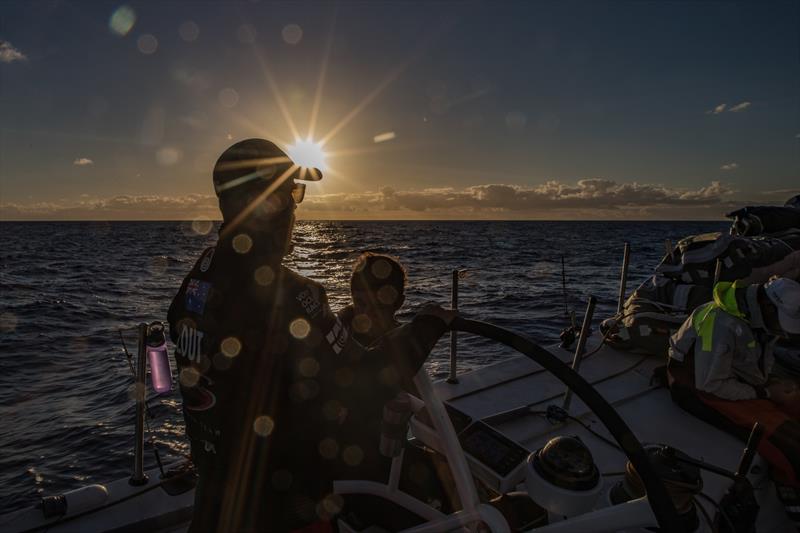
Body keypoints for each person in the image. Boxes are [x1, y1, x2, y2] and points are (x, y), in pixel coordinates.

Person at [167, 138, 455, 533]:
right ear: (268, 204)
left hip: (215, 504)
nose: (295, 209)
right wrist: (428, 324)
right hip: (284, 510)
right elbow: (366, 378)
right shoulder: (295, 299)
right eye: (292, 194)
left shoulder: (193, 285)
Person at [667, 277, 800, 505]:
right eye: (782, 324)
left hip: (733, 378)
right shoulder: (720, 322)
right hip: (698, 388)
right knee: (786, 442)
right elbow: (711, 385)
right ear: (767, 306)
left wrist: (770, 386)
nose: (784, 332)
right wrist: (766, 394)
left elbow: (760, 358)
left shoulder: (759, 319)